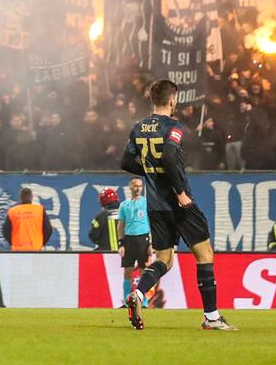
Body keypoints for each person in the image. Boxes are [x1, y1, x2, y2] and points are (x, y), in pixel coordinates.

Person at [120, 77, 235, 331]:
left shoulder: (138, 127)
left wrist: (151, 172)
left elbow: (126, 162)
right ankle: (212, 317)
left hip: (155, 206)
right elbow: (171, 156)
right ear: (173, 100)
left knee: (165, 259)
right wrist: (181, 192)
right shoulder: (174, 127)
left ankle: (138, 294)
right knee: (204, 254)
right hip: (178, 203)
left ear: (152, 99)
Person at [118, 178, 152, 302]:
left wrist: (151, 243)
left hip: (143, 239)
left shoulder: (146, 203)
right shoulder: (124, 205)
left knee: (144, 270)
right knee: (127, 270)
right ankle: (127, 299)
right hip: (129, 240)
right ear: (130, 187)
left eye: (140, 186)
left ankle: (143, 300)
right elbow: (121, 225)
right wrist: (121, 243)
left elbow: (152, 223)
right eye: (135, 186)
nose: (138, 188)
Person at [6, 187, 50, 251]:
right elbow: (48, 229)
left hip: (17, 250)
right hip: (36, 248)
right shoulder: (40, 210)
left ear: (20, 197)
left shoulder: (12, 211)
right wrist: (42, 243)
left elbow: (6, 231)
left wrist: (13, 243)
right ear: (31, 197)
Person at [88, 187, 122, 253]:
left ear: (102, 201)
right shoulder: (126, 214)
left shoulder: (101, 216)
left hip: (106, 254)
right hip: (126, 254)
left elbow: (92, 234)